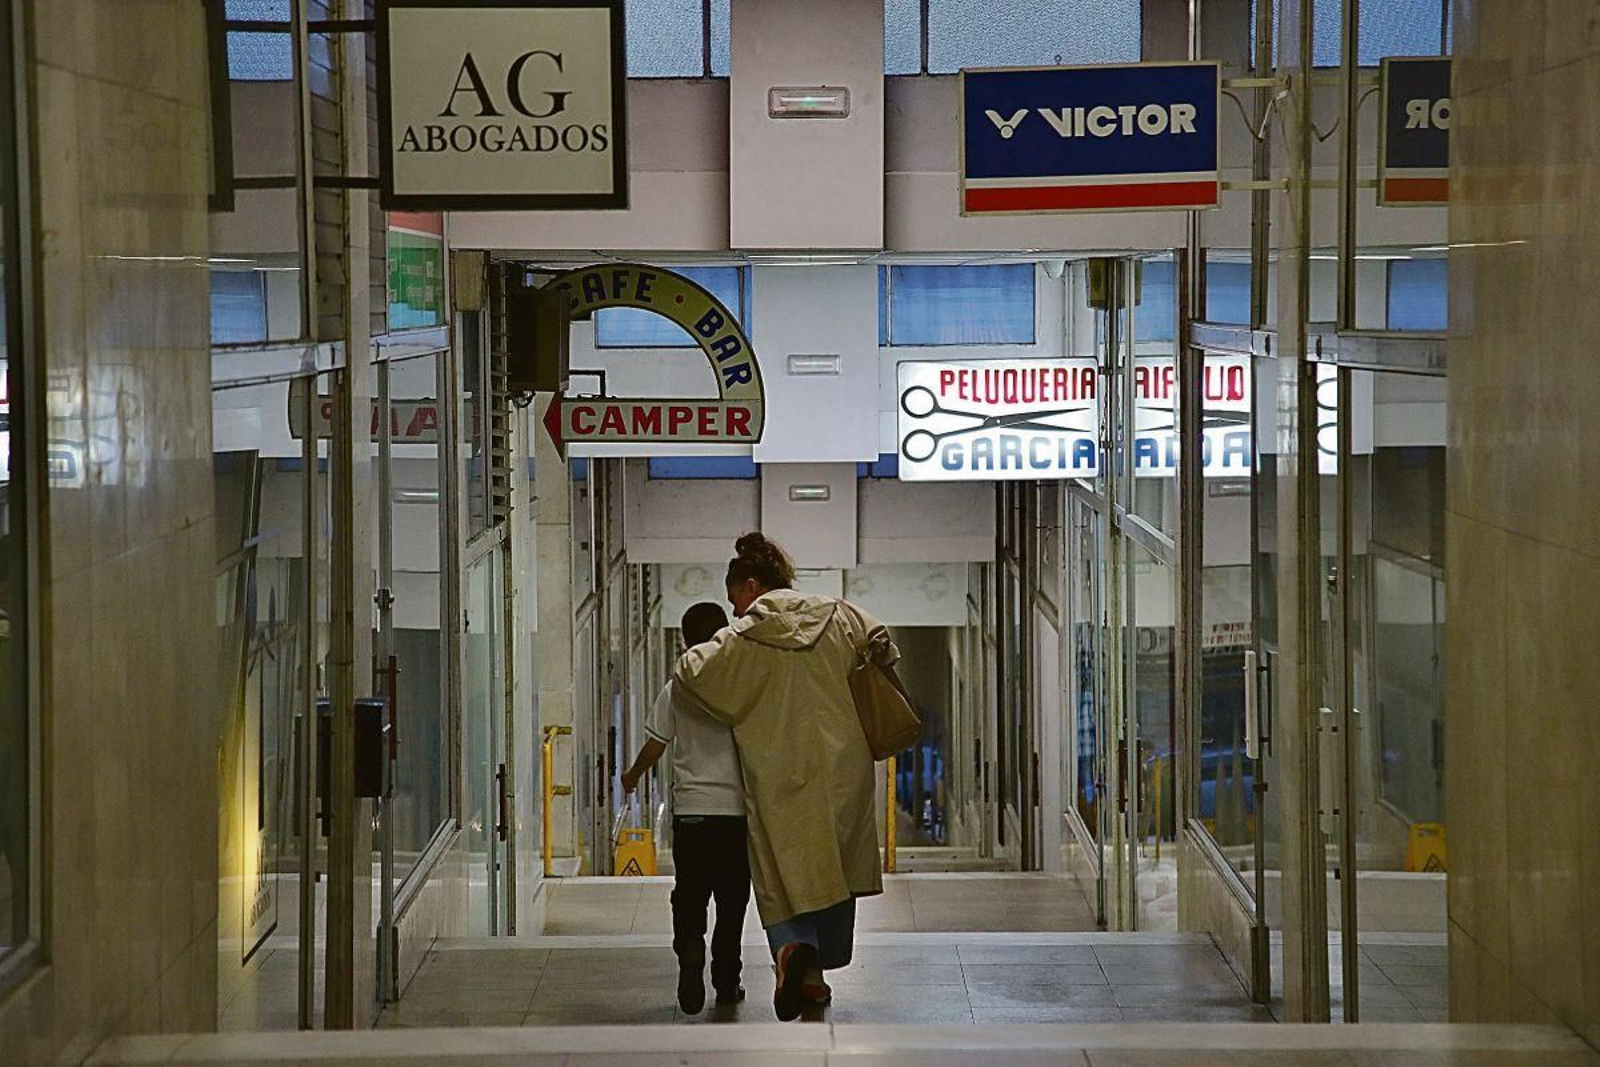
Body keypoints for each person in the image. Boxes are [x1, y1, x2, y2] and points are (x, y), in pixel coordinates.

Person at [674, 532, 898, 1022]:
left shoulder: (743, 638)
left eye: (735, 599)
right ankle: (814, 978)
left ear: (751, 585)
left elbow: (692, 669)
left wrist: (722, 638)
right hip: (845, 769)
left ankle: (792, 951)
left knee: (785, 869)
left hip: (779, 776)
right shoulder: (838, 613)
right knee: (832, 868)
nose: (734, 612)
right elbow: (881, 642)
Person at [620, 601, 749, 1016]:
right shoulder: (744, 686)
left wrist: (633, 775)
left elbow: (656, 744)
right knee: (732, 902)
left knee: (690, 895)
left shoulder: (678, 685)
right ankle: (727, 982)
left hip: (691, 811)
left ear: (685, 641)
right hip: (736, 813)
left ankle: (691, 952)